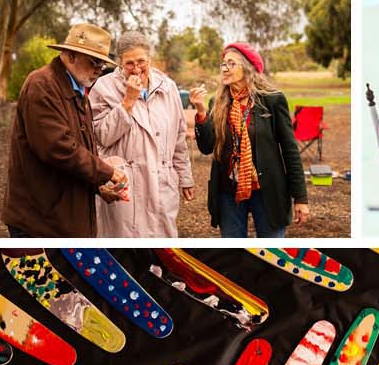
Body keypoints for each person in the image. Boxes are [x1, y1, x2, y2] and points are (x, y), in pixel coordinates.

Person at [2, 6, 124, 219]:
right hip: (39, 220)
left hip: (62, 214)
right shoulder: (42, 84)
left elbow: (82, 148)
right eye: (94, 62)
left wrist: (98, 186)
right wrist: (107, 172)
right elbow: (58, 148)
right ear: (70, 56)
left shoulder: (78, 90)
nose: (99, 70)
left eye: (102, 65)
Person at [91, 31, 194, 227]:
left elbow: (178, 138)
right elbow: (101, 136)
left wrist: (186, 178)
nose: (136, 69)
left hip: (162, 184)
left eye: (141, 61)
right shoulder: (103, 88)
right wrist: (128, 101)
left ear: (150, 59)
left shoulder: (168, 87)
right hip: (125, 184)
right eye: (129, 63)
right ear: (120, 63)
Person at [194, 57, 308, 232]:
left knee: (272, 250)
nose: (225, 68)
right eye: (223, 64)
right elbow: (207, 147)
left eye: (231, 64)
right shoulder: (216, 103)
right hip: (228, 190)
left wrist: (300, 197)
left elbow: (290, 150)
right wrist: (201, 112)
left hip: (267, 190)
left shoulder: (272, 100)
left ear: (248, 68)